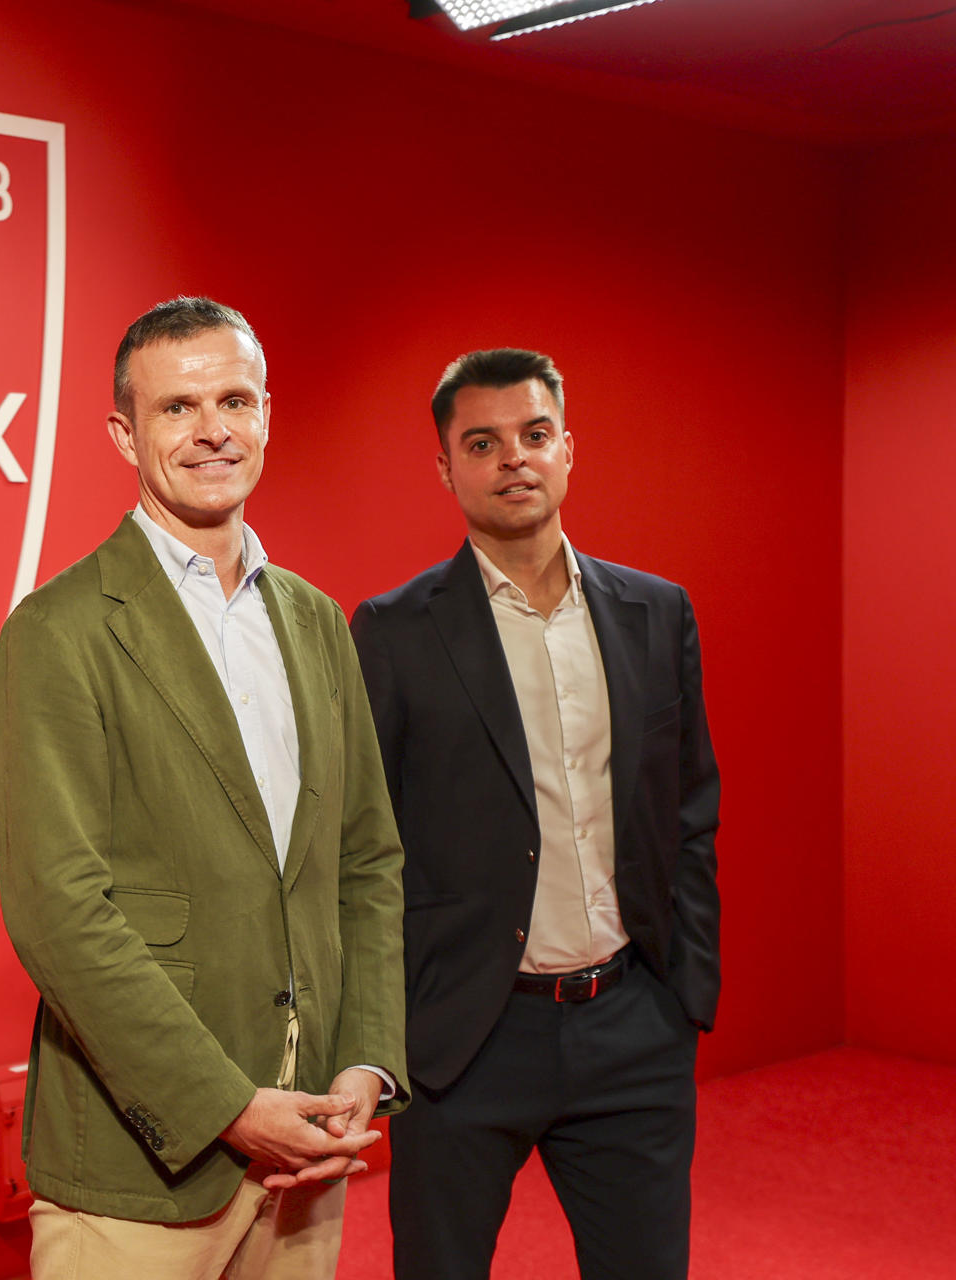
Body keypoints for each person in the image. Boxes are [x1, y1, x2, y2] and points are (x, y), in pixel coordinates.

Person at [0, 297, 408, 1279]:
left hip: (308, 1144)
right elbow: (59, 908)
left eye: (235, 399)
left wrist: (365, 1062)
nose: (214, 429)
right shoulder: (60, 629)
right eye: (178, 408)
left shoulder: (316, 621)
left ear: (268, 414)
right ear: (123, 434)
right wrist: (227, 1105)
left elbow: (366, 859)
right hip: (142, 1169)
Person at [349, 349, 720, 1280]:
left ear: (566, 451)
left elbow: (689, 809)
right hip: (469, 1040)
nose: (514, 457)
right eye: (483, 442)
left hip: (632, 1024)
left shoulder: (656, 611)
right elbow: (366, 847)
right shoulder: (392, 632)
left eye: (535, 434)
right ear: (446, 467)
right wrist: (395, 1033)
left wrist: (686, 994)